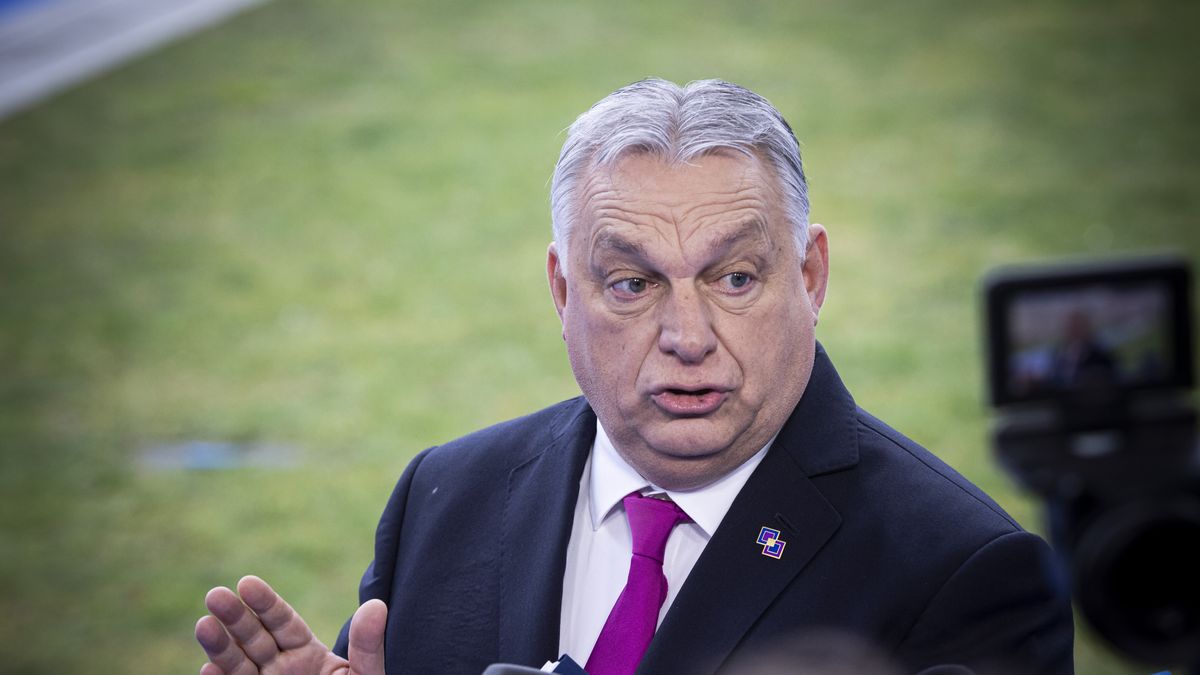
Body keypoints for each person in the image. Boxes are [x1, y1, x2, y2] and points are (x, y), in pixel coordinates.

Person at [196, 78, 1074, 675]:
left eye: (735, 278)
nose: (687, 336)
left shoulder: (967, 574)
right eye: (631, 283)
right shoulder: (444, 496)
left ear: (810, 276)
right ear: (561, 291)